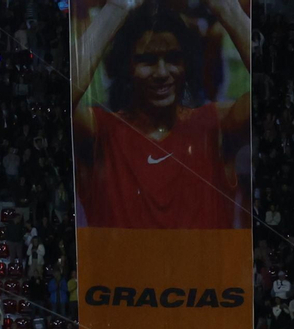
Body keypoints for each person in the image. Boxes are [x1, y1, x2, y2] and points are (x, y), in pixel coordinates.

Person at [70, 0, 252, 229]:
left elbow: (277, 96)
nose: (162, 72)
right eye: (147, 60)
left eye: (173, 58)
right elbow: (56, 99)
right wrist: (117, 8)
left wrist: (228, 9)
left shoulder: (215, 126)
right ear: (126, 67)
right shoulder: (100, 131)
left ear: (187, 64)